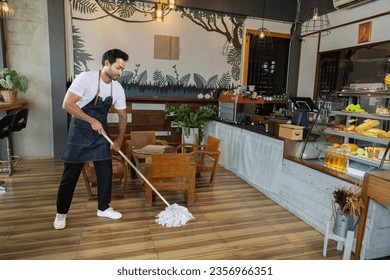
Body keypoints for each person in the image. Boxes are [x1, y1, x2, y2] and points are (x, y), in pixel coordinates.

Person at [53, 49, 129, 230]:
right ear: (107, 63)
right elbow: (67, 104)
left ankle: (103, 207)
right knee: (70, 175)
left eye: (122, 69)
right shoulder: (85, 78)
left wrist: (118, 139)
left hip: (100, 133)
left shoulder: (117, 88)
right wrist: (91, 120)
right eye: (118, 67)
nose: (120, 72)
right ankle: (61, 213)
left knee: (105, 172)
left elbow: (123, 116)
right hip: (79, 131)